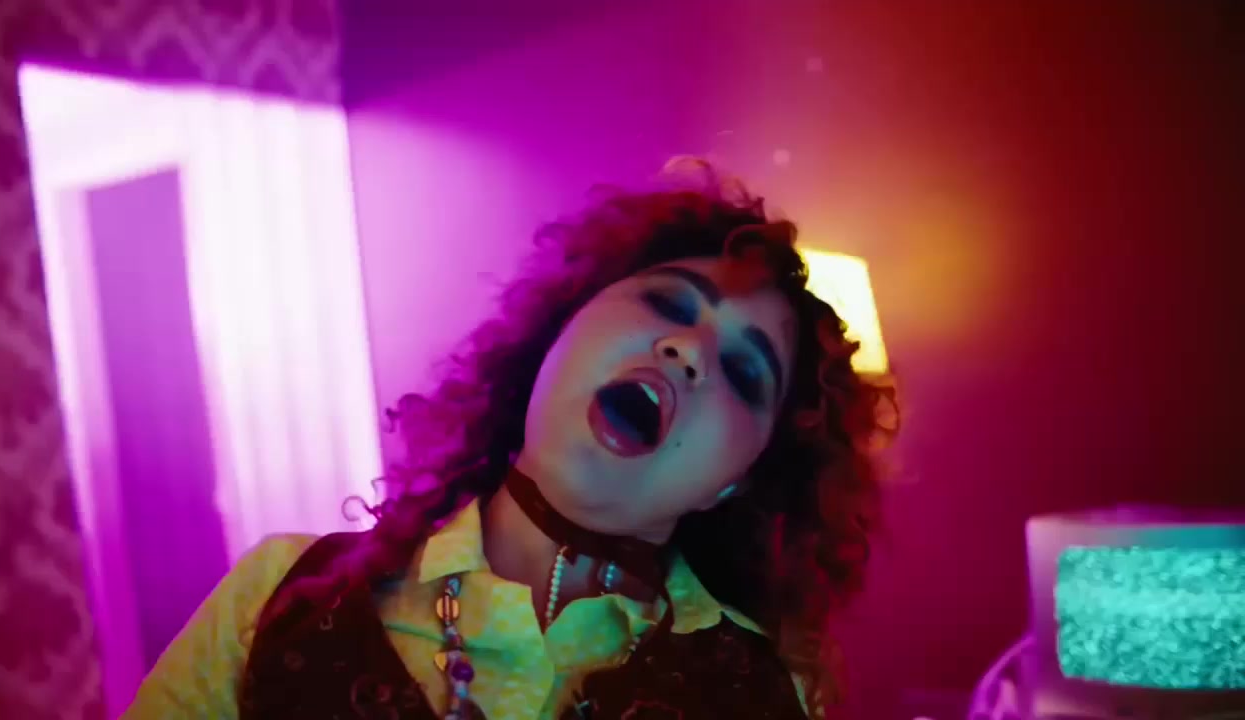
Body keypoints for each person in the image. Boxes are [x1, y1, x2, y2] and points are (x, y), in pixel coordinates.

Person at [123, 159, 895, 720]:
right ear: (558, 334)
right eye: (666, 304)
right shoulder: (276, 595)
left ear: (735, 480)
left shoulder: (764, 695)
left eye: (744, 371)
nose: (688, 350)